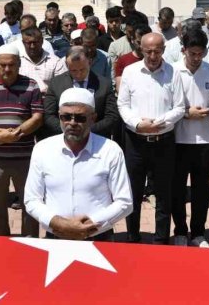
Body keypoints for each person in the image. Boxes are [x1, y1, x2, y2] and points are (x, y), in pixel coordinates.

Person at [25, 88, 133, 241]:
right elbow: (31, 199)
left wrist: (87, 226)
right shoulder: (42, 149)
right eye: (66, 117)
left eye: (80, 118)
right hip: (56, 236)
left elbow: (125, 202)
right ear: (59, 117)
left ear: (93, 118)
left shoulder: (110, 150)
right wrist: (60, 224)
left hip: (98, 237)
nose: (72, 123)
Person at [117, 33, 186, 244]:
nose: (153, 55)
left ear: (164, 50)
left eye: (157, 51)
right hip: (135, 141)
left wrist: (159, 123)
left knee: (164, 194)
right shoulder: (130, 72)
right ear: (141, 49)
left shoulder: (173, 72)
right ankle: (133, 237)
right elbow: (123, 105)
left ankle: (161, 239)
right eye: (149, 51)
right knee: (133, 193)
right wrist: (138, 124)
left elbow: (180, 107)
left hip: (163, 142)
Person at [0, 43, 43, 237]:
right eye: (2, 64)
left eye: (11, 64)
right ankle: (2, 243)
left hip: (25, 157)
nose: (7, 69)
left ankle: (30, 244)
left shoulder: (31, 84)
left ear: (19, 63)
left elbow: (38, 117)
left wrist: (17, 133)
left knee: (30, 205)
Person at [171, 28, 209, 247]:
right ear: (184, 50)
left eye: (200, 54)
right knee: (178, 189)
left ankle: (198, 232)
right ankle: (180, 229)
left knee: (201, 191)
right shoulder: (172, 71)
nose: (196, 58)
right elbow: (167, 103)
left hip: (205, 141)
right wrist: (185, 113)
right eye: (192, 54)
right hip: (178, 140)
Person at [43, 46, 119, 139]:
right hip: (64, 138)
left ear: (90, 63)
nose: (78, 74)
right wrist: (68, 130)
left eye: (82, 69)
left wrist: (86, 130)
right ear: (67, 65)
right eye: (73, 70)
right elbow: (48, 115)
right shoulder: (56, 83)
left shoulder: (104, 84)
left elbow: (112, 117)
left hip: (96, 138)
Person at [18, 26, 67, 94]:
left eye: (35, 42)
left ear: (42, 41)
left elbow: (62, 86)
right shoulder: (18, 62)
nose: (32, 46)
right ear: (23, 43)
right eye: (29, 43)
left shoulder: (55, 62)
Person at [113, 24, 149, 91]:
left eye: (145, 43)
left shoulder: (156, 61)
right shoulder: (122, 60)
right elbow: (120, 89)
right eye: (139, 42)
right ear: (132, 39)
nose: (141, 46)